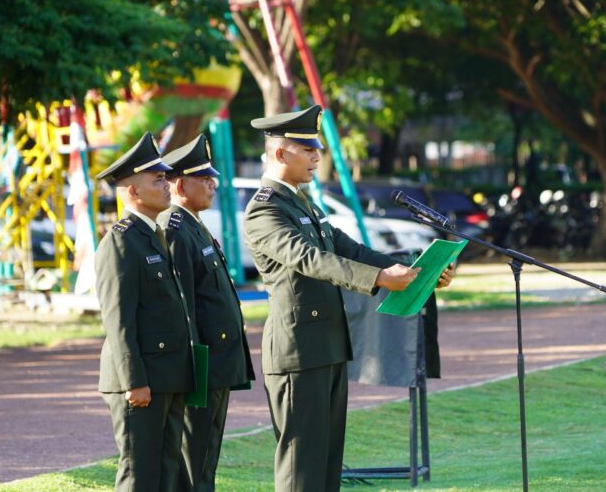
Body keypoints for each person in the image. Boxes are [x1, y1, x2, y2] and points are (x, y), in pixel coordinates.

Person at [243, 105, 453, 492]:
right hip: (298, 352)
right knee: (300, 467)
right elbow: (310, 259)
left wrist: (415, 273)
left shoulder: (303, 203)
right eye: (308, 150)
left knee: (327, 464)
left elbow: (350, 249)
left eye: (316, 149)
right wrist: (379, 279)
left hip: (327, 346)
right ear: (281, 153)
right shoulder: (264, 210)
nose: (317, 157)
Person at [94, 132, 197, 491]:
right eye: (157, 180)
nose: (168, 186)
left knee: (165, 475)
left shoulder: (155, 235)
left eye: (166, 178)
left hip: (166, 376)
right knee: (140, 475)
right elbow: (118, 319)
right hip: (141, 381)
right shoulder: (121, 241)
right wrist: (134, 380)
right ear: (133, 193)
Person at [158, 134, 256, 491]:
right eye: (204, 178)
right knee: (192, 460)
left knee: (205, 457)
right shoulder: (175, 229)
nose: (213, 183)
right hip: (201, 366)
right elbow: (182, 307)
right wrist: (192, 373)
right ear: (180, 185)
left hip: (218, 361)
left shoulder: (193, 225)